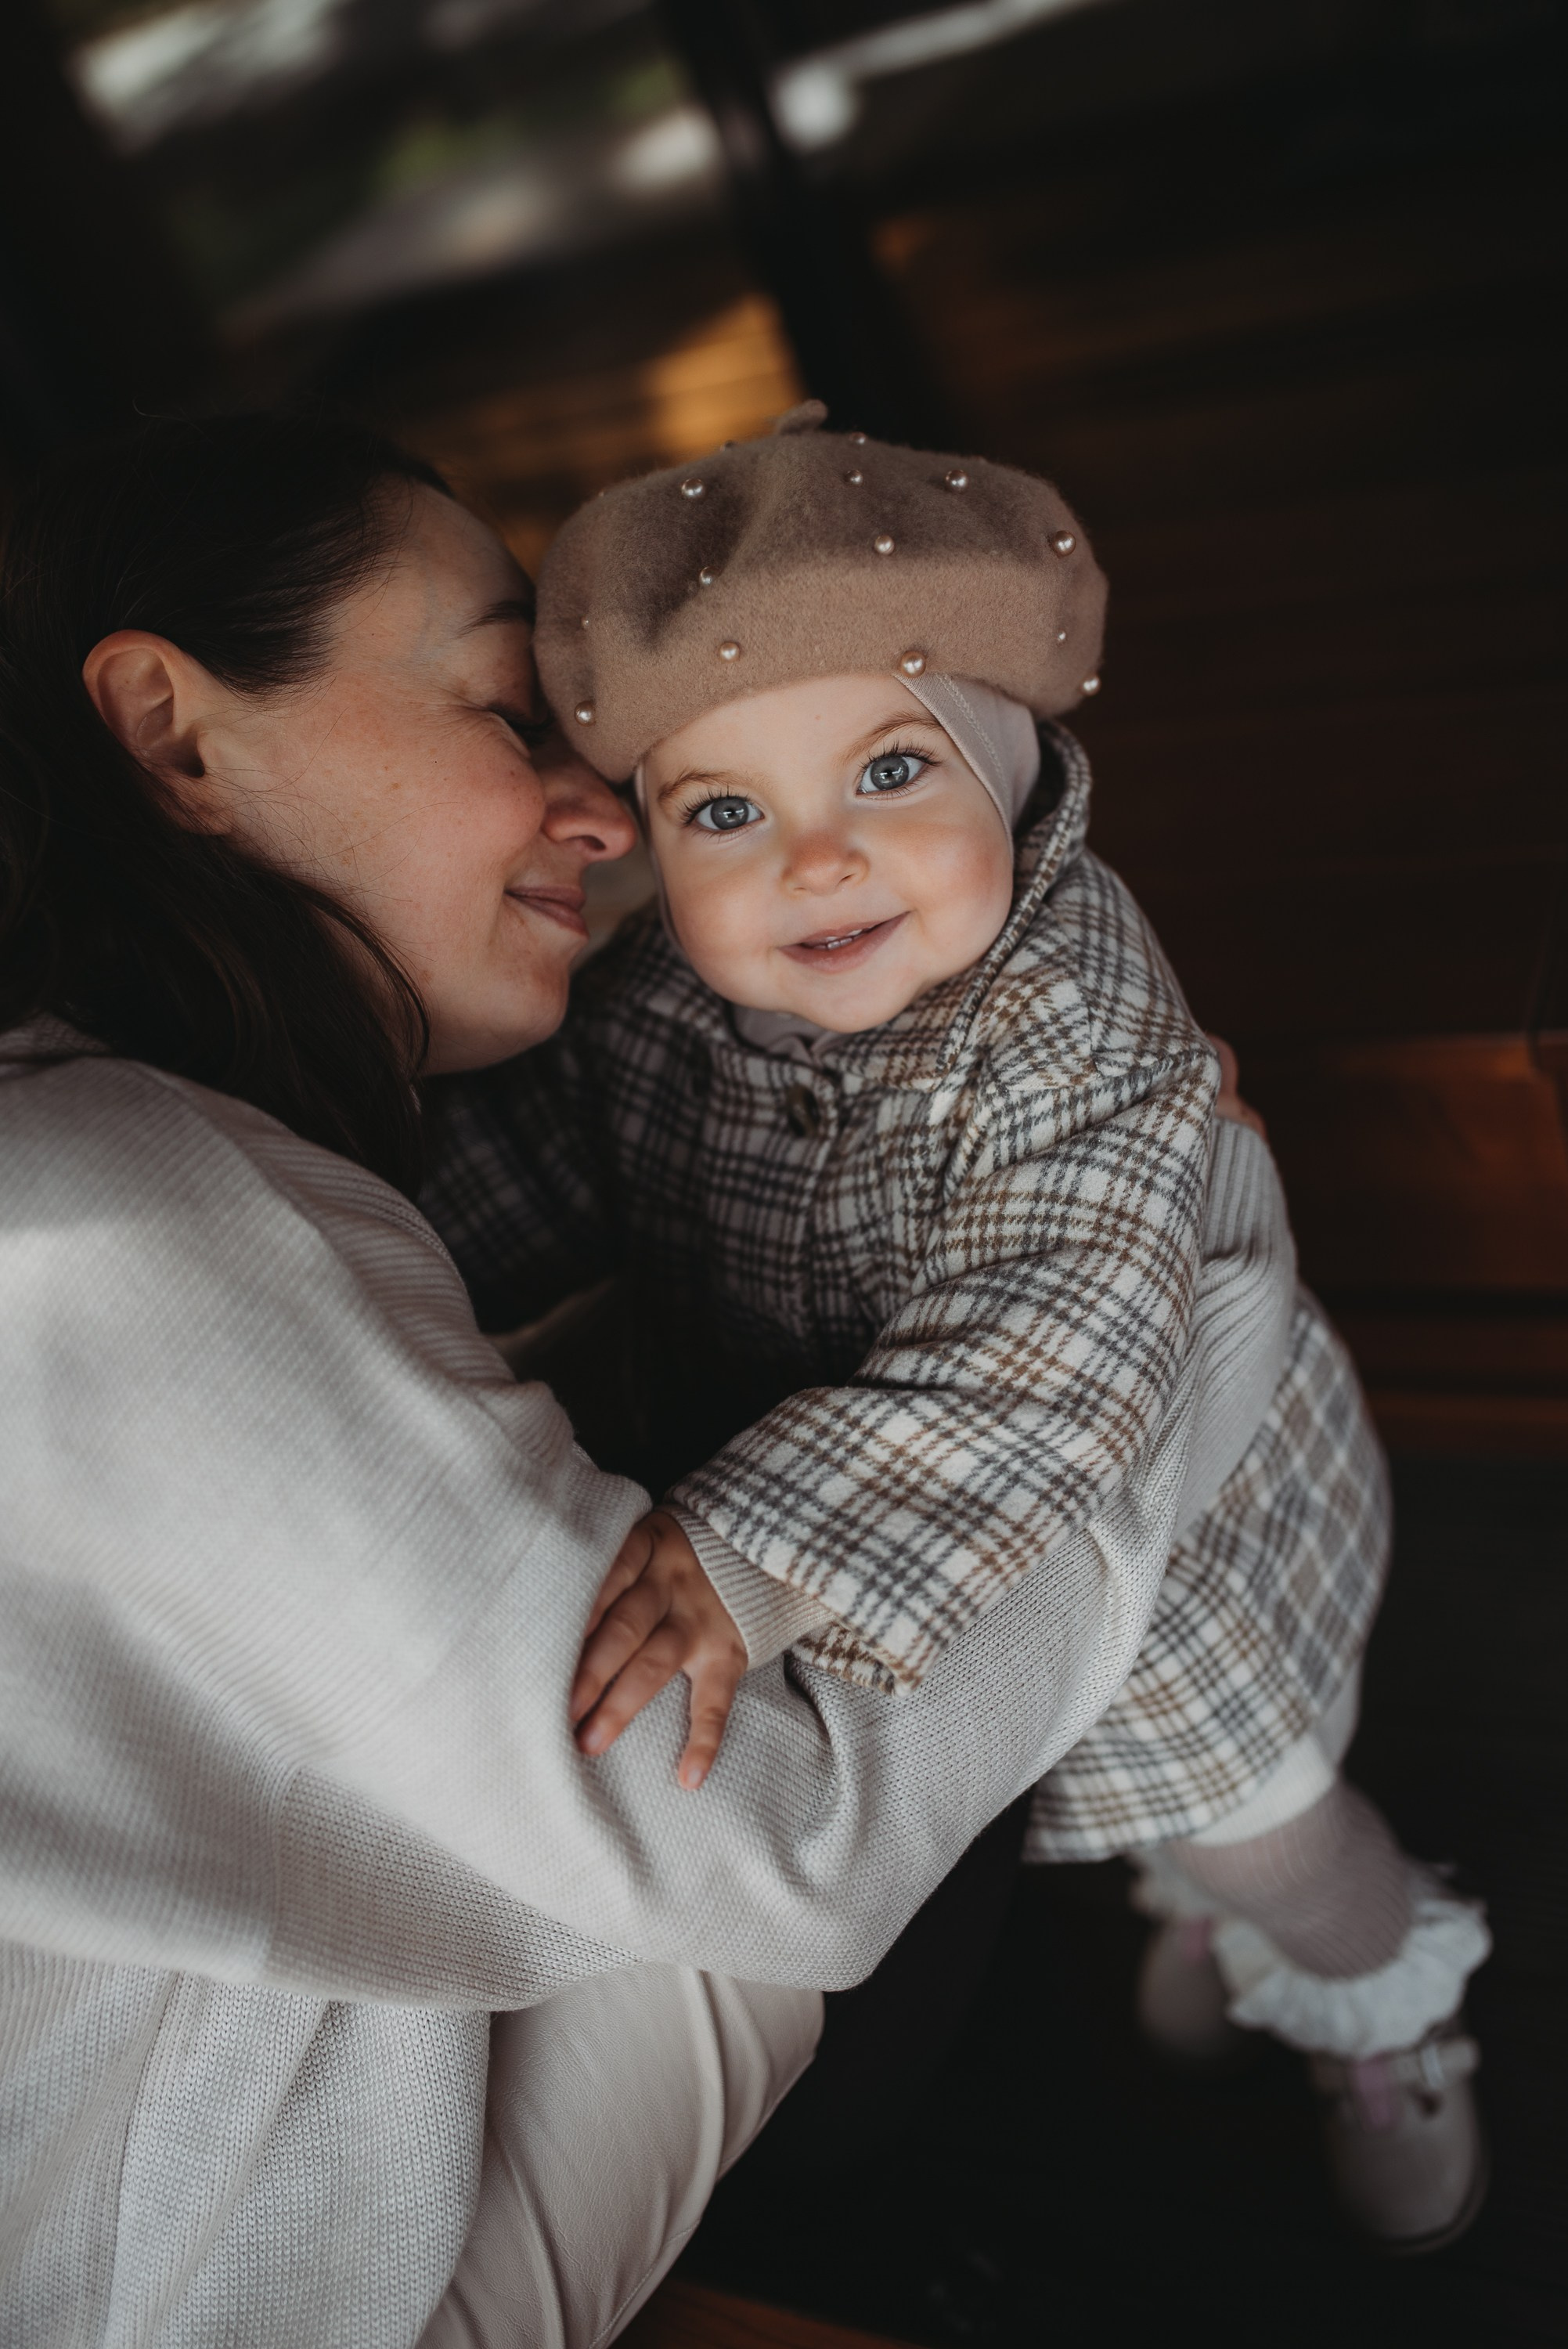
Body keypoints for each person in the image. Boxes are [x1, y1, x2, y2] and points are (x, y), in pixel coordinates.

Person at [0, 411, 1295, 2347]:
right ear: (178, 732)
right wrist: (1175, 1293)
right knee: (786, 1694)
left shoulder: (138, 1155)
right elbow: (780, 1843)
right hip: (218, 2284)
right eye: (512, 710)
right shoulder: (107, 1234)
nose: (597, 813)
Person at [421, 404, 1489, 2253]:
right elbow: (560, 1159)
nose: (814, 862)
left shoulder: (1074, 1037)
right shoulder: (660, 992)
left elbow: (1047, 1342)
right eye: (728, 814)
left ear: (1008, 764)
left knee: (1257, 1817)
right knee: (1070, 1808)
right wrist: (405, 1253)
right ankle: (1203, 1917)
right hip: (908, 1541)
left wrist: (753, 1538)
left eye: (891, 777)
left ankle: (1381, 1994)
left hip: (1147, 1521)